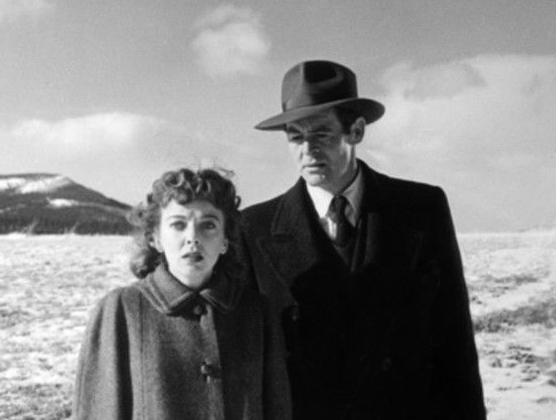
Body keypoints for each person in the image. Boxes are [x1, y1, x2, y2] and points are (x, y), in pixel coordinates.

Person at [239, 60, 486, 419]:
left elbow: (454, 339)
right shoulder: (253, 227)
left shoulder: (421, 209)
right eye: (295, 136)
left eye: (321, 133)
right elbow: (247, 359)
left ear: (355, 131)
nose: (307, 149)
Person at [72, 168, 291, 420]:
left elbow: (278, 409)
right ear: (155, 238)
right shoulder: (121, 309)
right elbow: (97, 410)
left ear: (225, 241)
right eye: (178, 225)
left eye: (208, 225)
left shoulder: (256, 312)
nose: (193, 238)